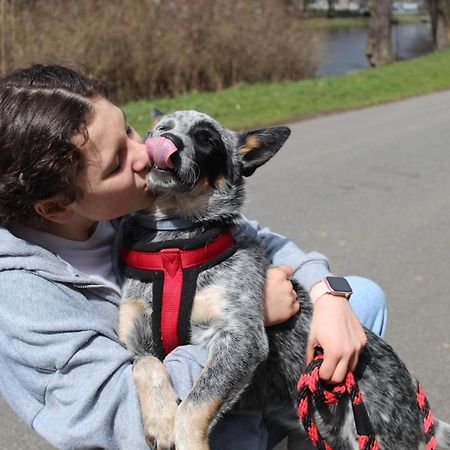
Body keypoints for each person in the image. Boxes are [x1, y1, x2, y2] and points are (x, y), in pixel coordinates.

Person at [0, 64, 387, 450]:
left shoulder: (129, 209)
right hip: (164, 434)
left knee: (361, 300)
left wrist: (328, 295)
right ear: (55, 208)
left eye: (131, 131)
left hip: (239, 400)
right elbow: (122, 421)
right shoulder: (23, 296)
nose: (147, 153)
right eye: (118, 162)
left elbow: (261, 239)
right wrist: (247, 320)